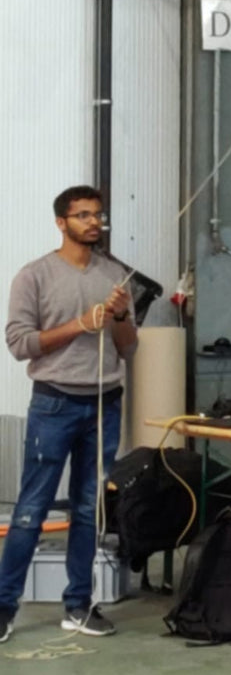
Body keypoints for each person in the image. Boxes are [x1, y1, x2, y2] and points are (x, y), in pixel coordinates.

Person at [0, 186, 138, 642]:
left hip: (104, 403)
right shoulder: (34, 276)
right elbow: (20, 344)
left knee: (87, 509)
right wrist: (78, 324)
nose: (93, 223)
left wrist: (119, 318)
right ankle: (4, 607)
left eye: (98, 215)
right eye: (83, 216)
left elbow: (129, 347)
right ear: (62, 222)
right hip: (54, 403)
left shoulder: (116, 275)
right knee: (30, 510)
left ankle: (79, 605)